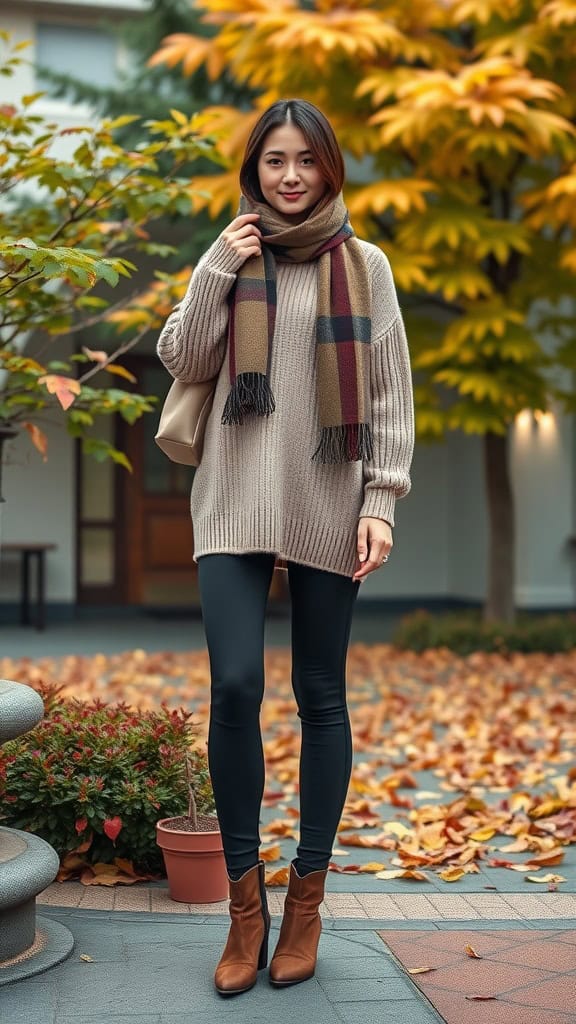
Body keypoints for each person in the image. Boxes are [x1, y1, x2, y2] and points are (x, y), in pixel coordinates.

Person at [156, 98, 414, 997]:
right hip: (232, 499)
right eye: (274, 160)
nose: (291, 175)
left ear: (329, 165)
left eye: (306, 159)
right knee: (233, 685)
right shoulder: (232, 254)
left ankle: (306, 901)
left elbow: (388, 394)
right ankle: (244, 908)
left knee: (321, 695)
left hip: (328, 498)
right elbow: (183, 358)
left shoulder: (366, 266)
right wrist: (215, 271)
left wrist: (381, 498)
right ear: (254, 169)